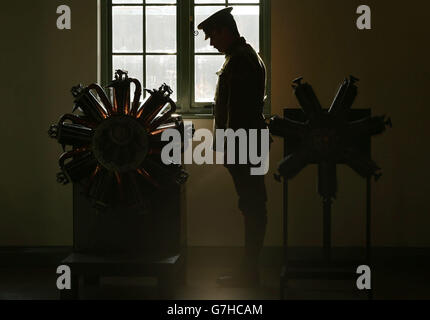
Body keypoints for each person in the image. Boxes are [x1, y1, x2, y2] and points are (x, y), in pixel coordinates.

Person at [197, 7, 269, 287]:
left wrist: (228, 147)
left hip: (244, 145)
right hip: (248, 143)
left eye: (213, 36)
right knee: (252, 206)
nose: (212, 43)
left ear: (225, 31)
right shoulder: (244, 57)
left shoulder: (239, 61)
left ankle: (249, 274)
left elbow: (237, 112)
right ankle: (250, 272)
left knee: (252, 207)